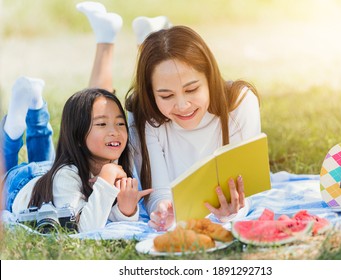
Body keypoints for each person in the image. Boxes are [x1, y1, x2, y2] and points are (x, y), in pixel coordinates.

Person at [77, 2, 261, 231]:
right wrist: (163, 210)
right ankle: (109, 38)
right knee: (97, 109)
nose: (182, 105)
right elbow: (157, 192)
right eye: (166, 95)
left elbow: (247, 188)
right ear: (152, 95)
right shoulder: (144, 111)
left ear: (210, 77)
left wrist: (233, 212)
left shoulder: (240, 102)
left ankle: (147, 35)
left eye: (192, 89)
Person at [1, 76, 152, 233]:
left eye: (120, 123)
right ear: (78, 136)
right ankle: (13, 131)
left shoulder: (112, 162)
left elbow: (102, 214)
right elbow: (85, 228)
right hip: (18, 185)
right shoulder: (68, 176)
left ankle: (35, 104)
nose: (115, 131)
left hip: (49, 176)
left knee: (48, 164)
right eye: (101, 124)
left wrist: (125, 210)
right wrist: (107, 176)